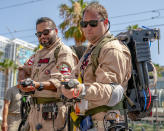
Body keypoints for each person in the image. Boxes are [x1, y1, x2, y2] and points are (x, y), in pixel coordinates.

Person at [61, 2, 132, 131]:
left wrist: (80, 90)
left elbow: (112, 91)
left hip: (106, 122)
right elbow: (76, 77)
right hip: (89, 121)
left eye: (93, 23)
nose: (88, 28)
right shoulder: (91, 50)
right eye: (84, 24)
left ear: (105, 22)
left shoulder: (111, 49)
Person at [18, 17, 78, 131]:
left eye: (46, 32)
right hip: (34, 112)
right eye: (39, 34)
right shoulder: (38, 54)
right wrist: (22, 82)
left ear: (55, 31)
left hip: (53, 114)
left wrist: (38, 85)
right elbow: (23, 68)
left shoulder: (62, 51)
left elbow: (63, 82)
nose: (42, 36)